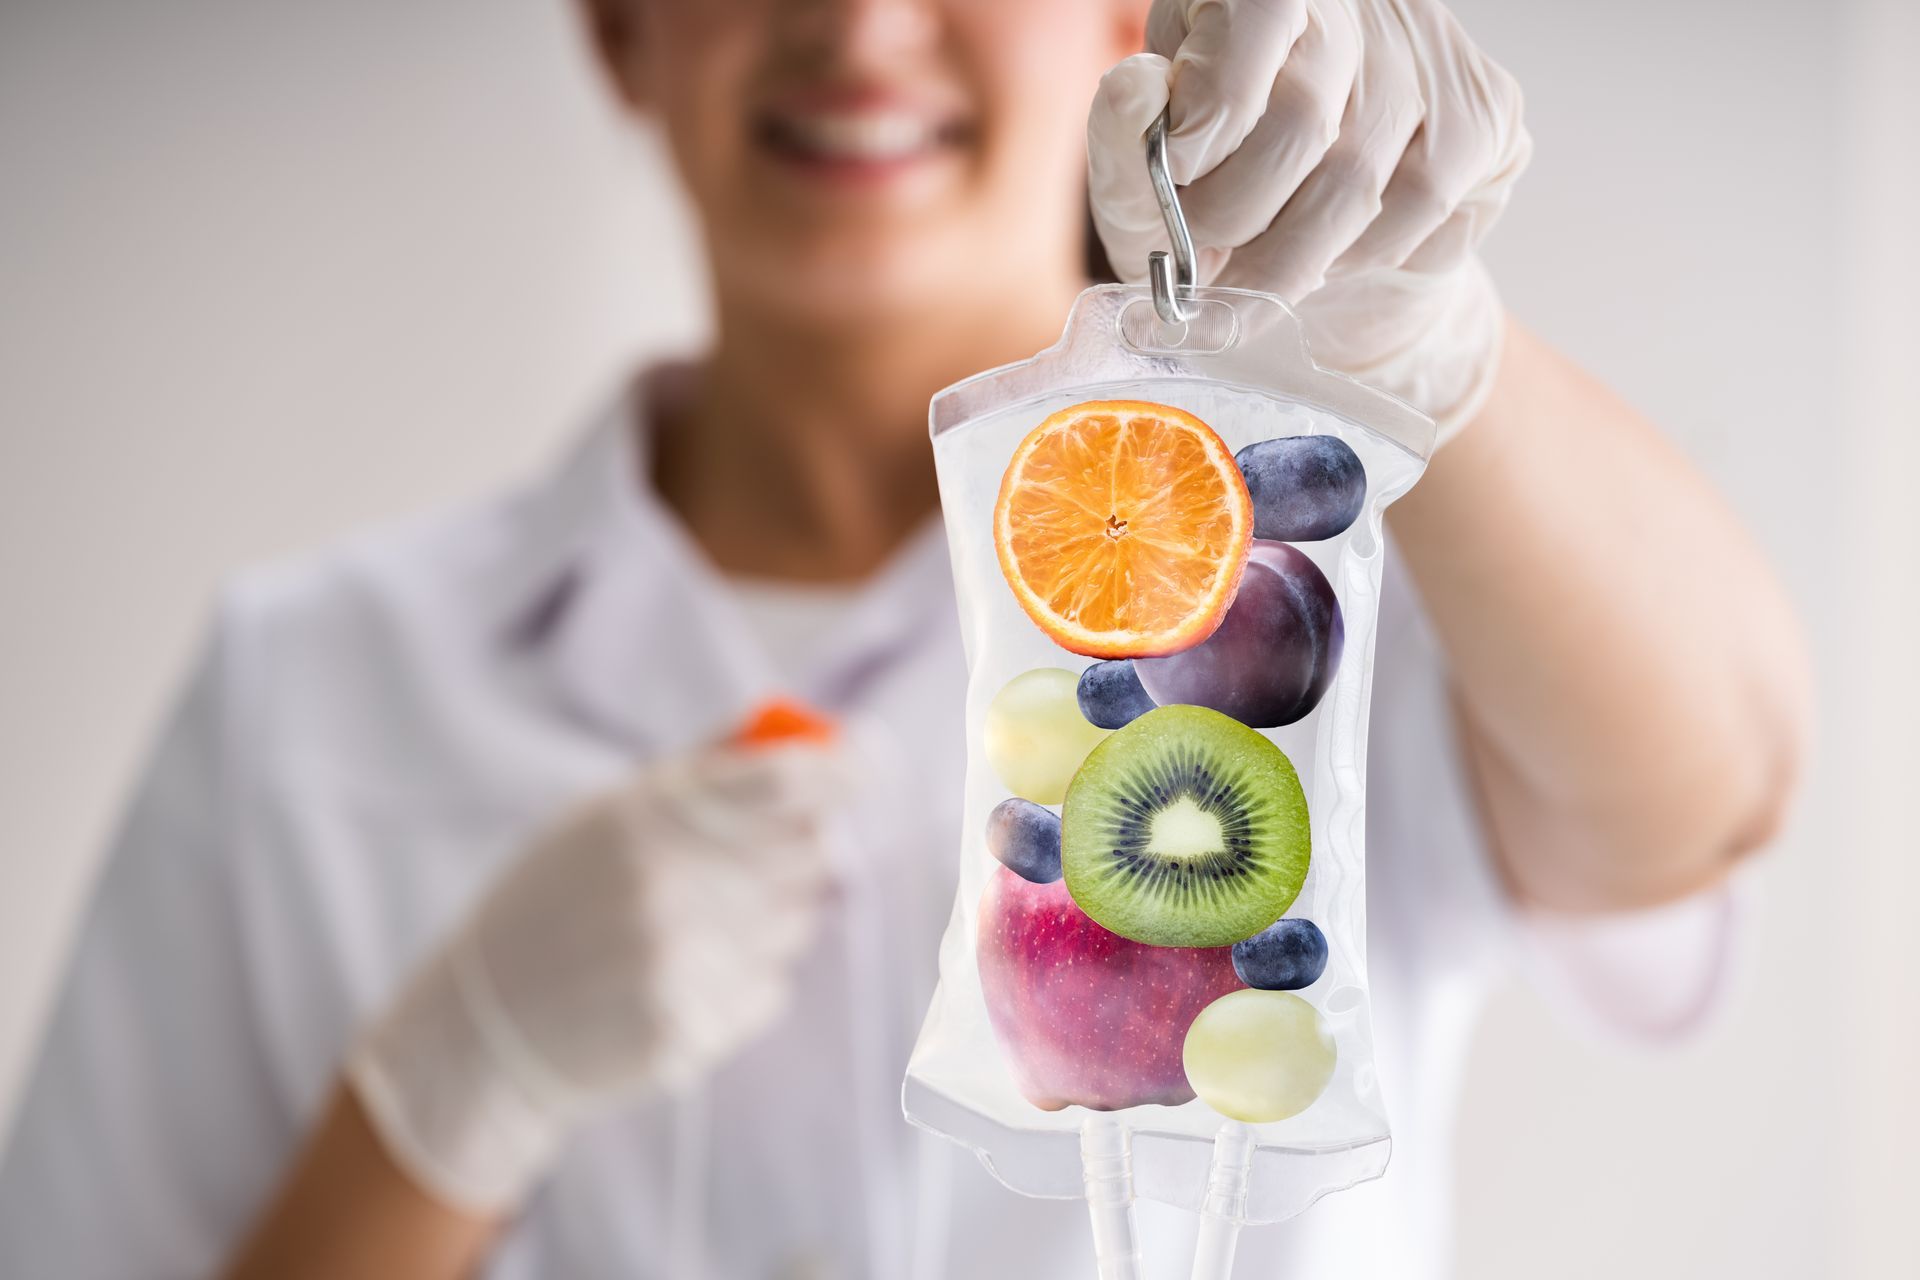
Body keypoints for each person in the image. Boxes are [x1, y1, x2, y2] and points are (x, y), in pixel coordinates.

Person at [0, 1, 1810, 1277]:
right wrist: (446, 1101)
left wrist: (1439, 359)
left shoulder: (1330, 587)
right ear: (620, 29)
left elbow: (1717, 794)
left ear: (1133, 19)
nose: (860, 23)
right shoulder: (313, 687)